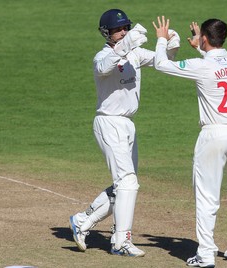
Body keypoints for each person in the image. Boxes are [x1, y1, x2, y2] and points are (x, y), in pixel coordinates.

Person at [69, 9, 180, 257]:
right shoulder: (103, 55)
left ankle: (82, 221)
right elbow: (103, 68)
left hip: (128, 124)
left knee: (125, 184)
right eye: (118, 29)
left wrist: (170, 43)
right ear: (106, 33)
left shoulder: (135, 53)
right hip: (108, 122)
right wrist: (126, 45)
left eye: (125, 28)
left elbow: (165, 61)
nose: (123, 32)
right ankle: (121, 242)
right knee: (127, 183)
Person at [153, 16, 227, 267]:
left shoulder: (202, 66)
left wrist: (162, 40)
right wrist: (201, 45)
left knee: (207, 196)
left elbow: (161, 65)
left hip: (213, 135)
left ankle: (206, 254)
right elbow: (217, 63)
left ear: (206, 38)